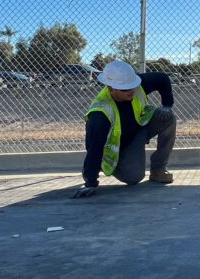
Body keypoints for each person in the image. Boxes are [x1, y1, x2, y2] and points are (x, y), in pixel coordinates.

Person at [72, 60, 176, 198]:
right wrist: (90, 182)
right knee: (133, 177)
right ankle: (110, 165)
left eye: (132, 86)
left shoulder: (136, 85)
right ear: (111, 89)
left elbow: (162, 78)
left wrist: (167, 106)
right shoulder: (100, 113)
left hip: (139, 128)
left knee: (168, 118)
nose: (131, 91)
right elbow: (94, 147)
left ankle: (158, 170)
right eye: (125, 89)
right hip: (121, 147)